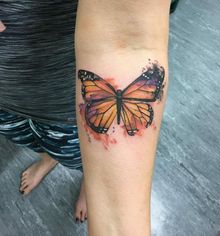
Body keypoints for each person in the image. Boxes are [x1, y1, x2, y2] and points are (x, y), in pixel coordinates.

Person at [0, 0, 172, 234]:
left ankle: (90, 185)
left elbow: (128, 40)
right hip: (6, 103)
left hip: (66, 111)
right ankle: (48, 159)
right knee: (28, 139)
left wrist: (115, 221)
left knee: (79, 157)